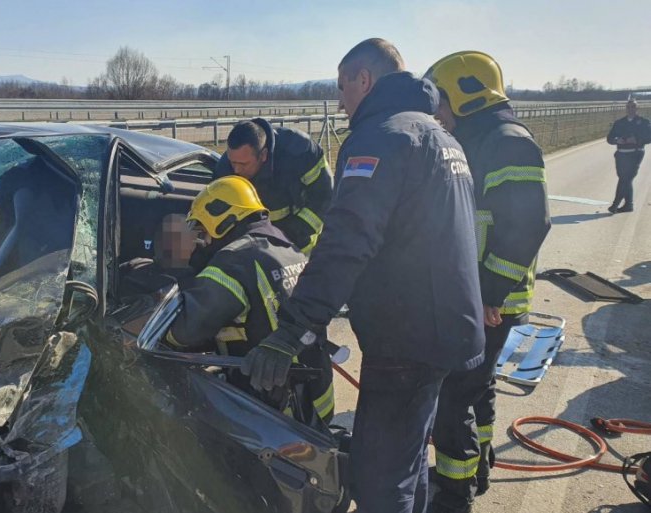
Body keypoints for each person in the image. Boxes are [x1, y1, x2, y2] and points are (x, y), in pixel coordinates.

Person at [240, 38, 485, 513]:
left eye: (342, 86)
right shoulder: (439, 136)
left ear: (364, 80)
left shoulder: (381, 138)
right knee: (407, 464)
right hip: (445, 328)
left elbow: (346, 242)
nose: (340, 102)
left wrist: (292, 329)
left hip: (408, 337)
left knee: (378, 483)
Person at [425, 51, 552, 513]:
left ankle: (453, 492)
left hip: (490, 300)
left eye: (440, 101)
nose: (437, 112)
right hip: (479, 296)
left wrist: (488, 294)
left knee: (452, 395)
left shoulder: (508, 142)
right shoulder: (479, 139)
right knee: (476, 388)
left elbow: (529, 225)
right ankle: (479, 465)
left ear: (466, 95)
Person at [166, 175, 334, 426]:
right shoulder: (284, 244)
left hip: (277, 413)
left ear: (221, 220)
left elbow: (185, 331)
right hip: (318, 398)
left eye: (203, 230)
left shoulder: (234, 262)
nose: (204, 241)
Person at [214, 118, 333, 254]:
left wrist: (291, 235)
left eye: (243, 164)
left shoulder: (299, 151)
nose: (236, 170)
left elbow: (324, 197)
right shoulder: (224, 168)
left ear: (263, 155)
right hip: (253, 247)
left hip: (300, 245)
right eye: (233, 162)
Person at [119, 213, 196, 296]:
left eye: (176, 237)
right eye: (163, 234)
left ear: (192, 245)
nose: (167, 242)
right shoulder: (133, 265)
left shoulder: (195, 286)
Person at [606, 98, 651, 213]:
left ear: (637, 108)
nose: (631, 109)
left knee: (626, 178)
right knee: (624, 179)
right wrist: (617, 140)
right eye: (628, 107)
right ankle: (628, 205)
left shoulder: (644, 122)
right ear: (626, 108)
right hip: (621, 154)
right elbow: (609, 138)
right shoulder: (619, 123)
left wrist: (636, 140)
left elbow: (649, 137)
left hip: (636, 153)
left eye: (633, 107)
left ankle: (615, 204)